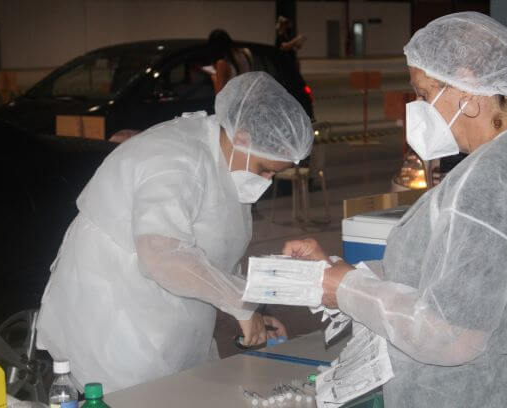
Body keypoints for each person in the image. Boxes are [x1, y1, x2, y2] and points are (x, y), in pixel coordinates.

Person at [284, 12, 507, 408]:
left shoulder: (485, 181)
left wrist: (346, 288)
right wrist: (337, 273)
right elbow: (466, 278)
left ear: (466, 88)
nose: (417, 108)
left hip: (475, 394)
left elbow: (451, 333)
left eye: (423, 93)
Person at [36, 72, 314, 393]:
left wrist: (252, 310)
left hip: (166, 321)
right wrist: (240, 303)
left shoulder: (225, 161)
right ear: (242, 137)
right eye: (264, 170)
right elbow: (162, 256)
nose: (265, 182)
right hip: (114, 321)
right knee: (133, 396)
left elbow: (214, 256)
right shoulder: (177, 159)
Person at [208, 29, 253, 93]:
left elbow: (219, 93)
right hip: (247, 93)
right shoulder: (245, 52)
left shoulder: (222, 63)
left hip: (234, 96)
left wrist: (213, 76)